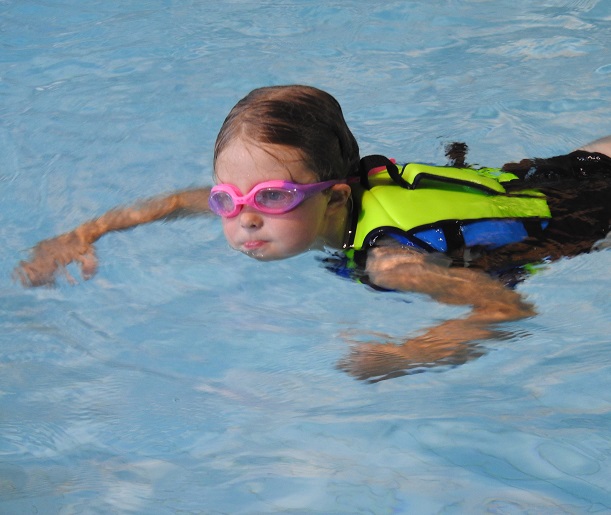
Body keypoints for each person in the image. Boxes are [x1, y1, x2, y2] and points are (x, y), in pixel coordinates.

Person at [15, 85, 611, 382]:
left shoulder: (391, 263)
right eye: (228, 199)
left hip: (584, 218)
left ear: (336, 198)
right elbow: (176, 201)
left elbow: (505, 308)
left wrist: (408, 354)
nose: (244, 217)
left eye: (271, 197)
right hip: (537, 178)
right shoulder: (289, 200)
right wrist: (84, 233)